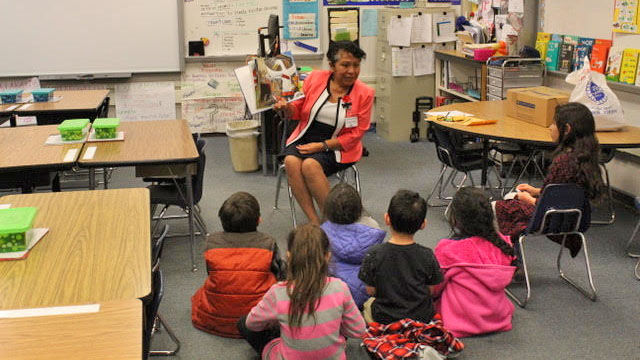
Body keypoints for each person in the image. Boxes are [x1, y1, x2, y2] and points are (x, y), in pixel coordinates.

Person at [275, 40, 375, 225]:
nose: (351, 71)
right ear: (332, 65)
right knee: (290, 161)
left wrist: (322, 146)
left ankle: (332, 221)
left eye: (356, 65)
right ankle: (315, 222)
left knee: (310, 166)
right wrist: (286, 108)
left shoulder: (365, 93)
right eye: (345, 65)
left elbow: (357, 134)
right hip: (307, 134)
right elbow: (297, 108)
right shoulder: (315, 78)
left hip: (339, 145)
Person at [237, 224, 366, 359]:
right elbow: (358, 330)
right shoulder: (340, 288)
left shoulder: (279, 292)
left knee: (243, 322)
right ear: (327, 257)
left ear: (289, 256)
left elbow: (251, 323)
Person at [494, 102, 605, 257]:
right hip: (575, 220)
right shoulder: (587, 159)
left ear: (566, 130)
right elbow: (566, 192)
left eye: (553, 123)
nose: (550, 128)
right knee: (510, 203)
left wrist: (527, 198)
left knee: (496, 208)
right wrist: (536, 191)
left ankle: (509, 260)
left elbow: (545, 206)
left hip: (551, 220)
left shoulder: (563, 162)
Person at [191, 192, 284, 338]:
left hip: (216, 319)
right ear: (259, 220)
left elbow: (211, 273)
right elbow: (280, 275)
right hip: (257, 318)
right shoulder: (268, 243)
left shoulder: (211, 242)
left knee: (201, 292)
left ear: (222, 221)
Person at [432, 187, 516, 338]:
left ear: (456, 218)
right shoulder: (503, 244)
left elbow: (435, 287)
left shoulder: (448, 249)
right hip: (498, 318)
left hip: (459, 321)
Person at [358, 190, 443, 324]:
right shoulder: (427, 255)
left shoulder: (374, 254)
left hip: (385, 317)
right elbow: (431, 290)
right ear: (423, 224)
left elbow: (370, 290)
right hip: (420, 317)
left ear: (387, 219)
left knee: (367, 306)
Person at [320, 183, 386, 308]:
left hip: (334, 295)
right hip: (367, 293)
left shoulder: (322, 232)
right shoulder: (372, 227)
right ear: (358, 207)